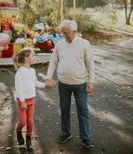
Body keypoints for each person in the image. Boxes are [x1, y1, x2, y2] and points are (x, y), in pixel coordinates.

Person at [45, 19, 95, 148]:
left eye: (67, 33)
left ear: (75, 31)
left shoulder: (85, 44)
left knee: (83, 110)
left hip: (80, 84)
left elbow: (90, 64)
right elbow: (53, 61)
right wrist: (49, 78)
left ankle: (85, 138)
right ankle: (66, 133)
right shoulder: (59, 44)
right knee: (64, 109)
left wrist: (91, 81)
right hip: (63, 84)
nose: (64, 35)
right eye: (63, 33)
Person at [15, 47, 45, 152]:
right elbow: (18, 88)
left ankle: (28, 140)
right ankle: (18, 131)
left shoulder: (32, 70)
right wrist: (22, 101)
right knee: (23, 122)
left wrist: (45, 85)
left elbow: (36, 83)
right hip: (22, 101)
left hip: (32, 100)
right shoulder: (20, 72)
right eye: (32, 55)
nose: (34, 57)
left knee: (30, 122)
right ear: (26, 58)